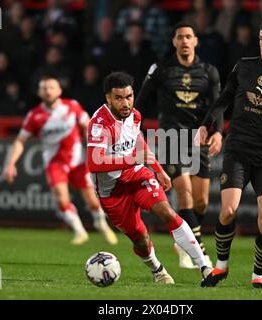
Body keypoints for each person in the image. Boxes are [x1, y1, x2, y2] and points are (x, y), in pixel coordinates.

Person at [197, 20, 262, 289]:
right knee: (227, 211)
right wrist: (207, 124)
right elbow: (224, 99)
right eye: (261, 38)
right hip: (238, 150)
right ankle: (221, 267)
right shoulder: (243, 66)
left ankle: (258, 275)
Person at [86, 71, 213, 284]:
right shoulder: (100, 124)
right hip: (112, 193)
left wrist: (158, 169)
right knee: (141, 239)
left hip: (135, 175)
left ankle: (206, 268)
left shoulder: (134, 115)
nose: (126, 103)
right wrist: (133, 159)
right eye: (119, 98)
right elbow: (94, 163)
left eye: (129, 96)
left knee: (167, 212)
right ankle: (158, 270)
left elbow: (138, 143)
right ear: (108, 98)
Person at [135, 22, 221, 269]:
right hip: (171, 136)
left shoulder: (208, 71)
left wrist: (218, 133)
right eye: (180, 37)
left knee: (201, 201)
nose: (184, 41)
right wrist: (133, 129)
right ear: (174, 42)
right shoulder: (162, 69)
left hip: (198, 139)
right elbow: (141, 101)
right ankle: (199, 253)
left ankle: (183, 242)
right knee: (183, 192)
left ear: (196, 41)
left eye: (188, 37)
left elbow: (218, 105)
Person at [4, 76, 118, 246]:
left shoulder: (72, 106)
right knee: (61, 198)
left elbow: (88, 127)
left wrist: (98, 150)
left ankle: (100, 223)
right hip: (54, 163)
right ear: (39, 92)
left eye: (51, 87)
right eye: (44, 88)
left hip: (78, 161)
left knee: (93, 201)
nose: (48, 91)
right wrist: (11, 163)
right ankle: (79, 231)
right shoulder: (35, 116)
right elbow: (21, 140)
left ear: (59, 90)